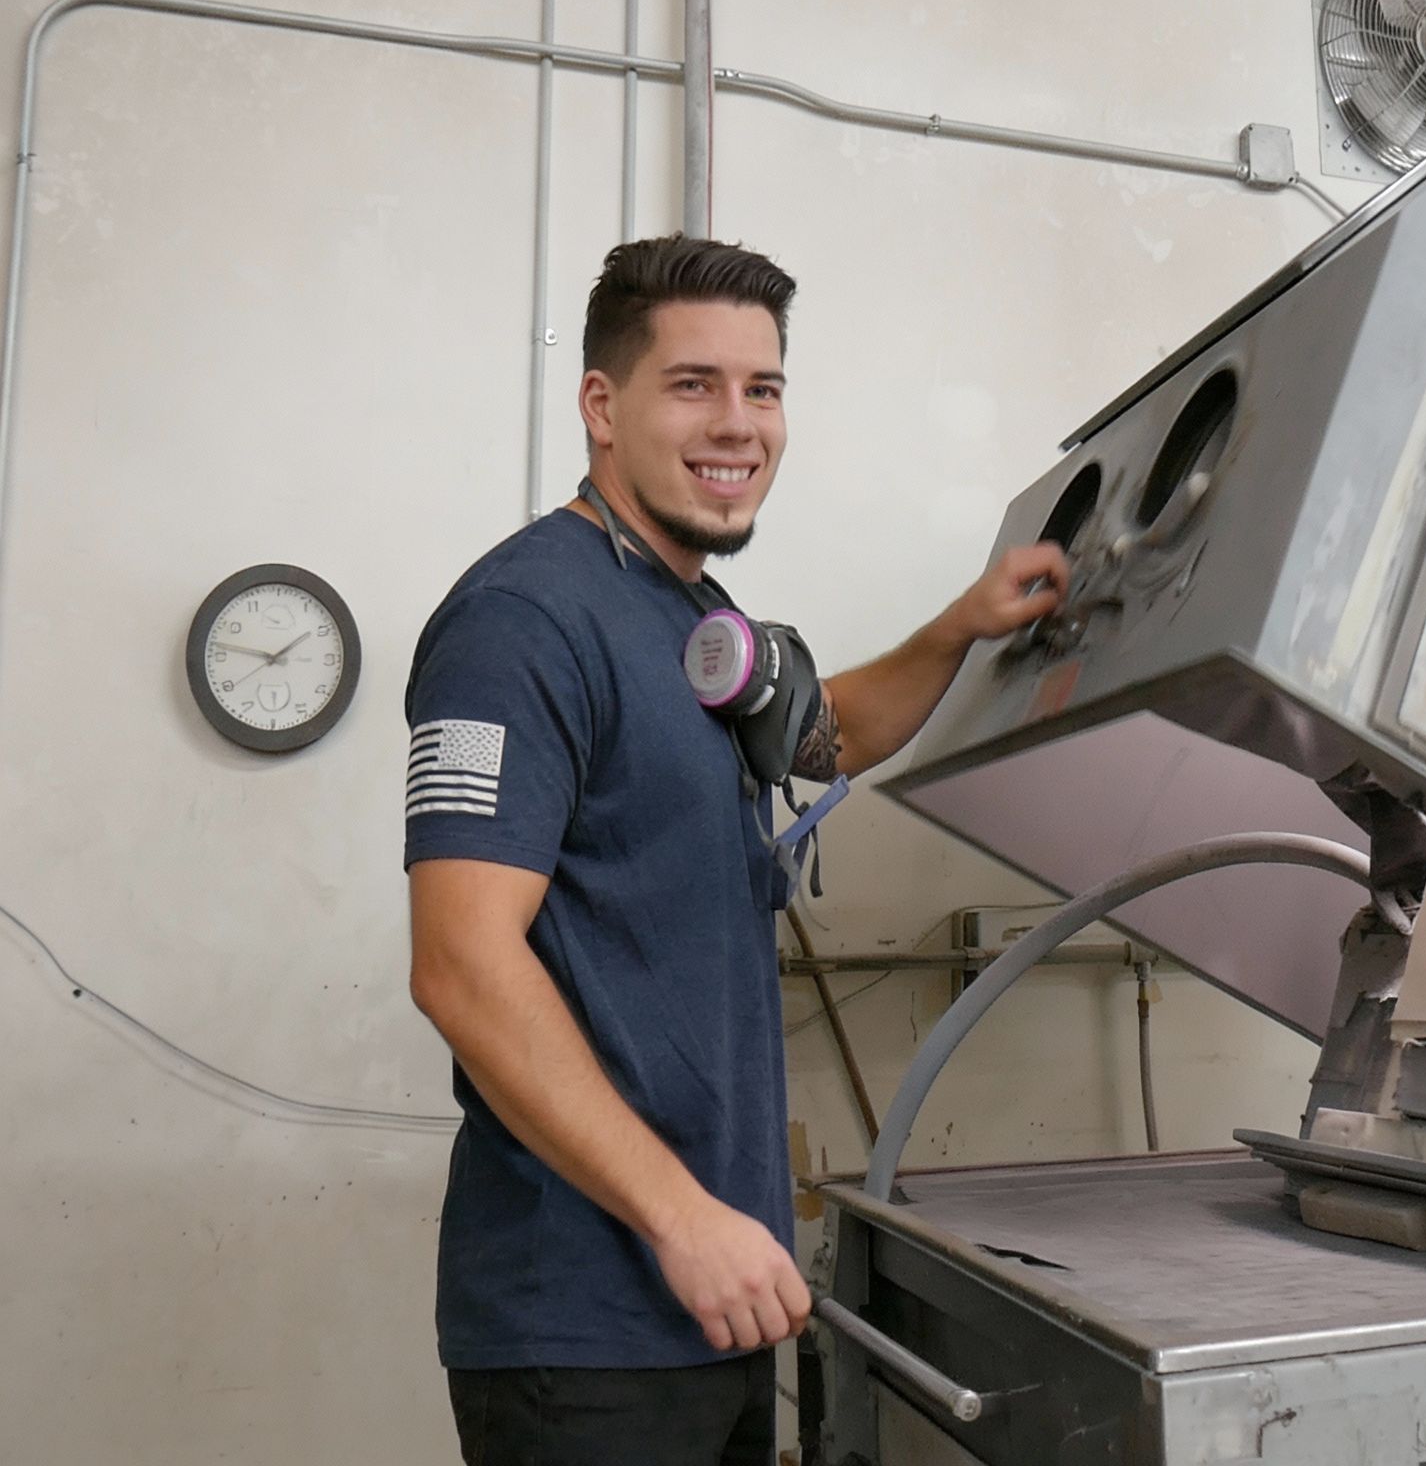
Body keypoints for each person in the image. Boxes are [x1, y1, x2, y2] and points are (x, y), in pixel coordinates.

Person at [405, 234, 1069, 1466]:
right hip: (590, 1322)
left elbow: (828, 732)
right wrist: (681, 1219)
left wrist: (964, 627)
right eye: (694, 384)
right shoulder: (520, 623)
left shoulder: (695, 616)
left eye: (762, 388)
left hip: (715, 1292)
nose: (739, 423)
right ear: (603, 406)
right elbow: (459, 964)